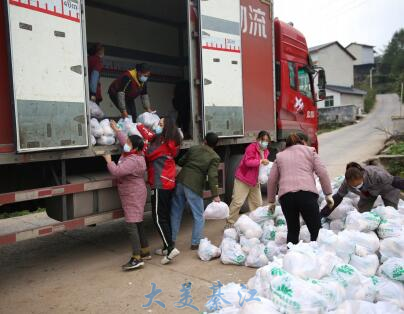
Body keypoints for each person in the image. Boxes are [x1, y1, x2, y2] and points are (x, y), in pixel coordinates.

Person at [267, 134, 334, 244]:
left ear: (286, 144)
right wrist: (328, 194)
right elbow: (322, 172)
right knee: (315, 230)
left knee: (293, 230)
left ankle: (292, 257)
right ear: (301, 142)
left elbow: (272, 180)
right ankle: (317, 256)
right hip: (307, 195)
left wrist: (271, 201)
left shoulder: (280, 156)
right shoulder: (310, 151)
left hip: (286, 197)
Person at [104, 122, 150, 271]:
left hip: (133, 194)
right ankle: (145, 250)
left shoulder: (132, 160)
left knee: (131, 224)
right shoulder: (136, 153)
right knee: (138, 222)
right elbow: (125, 142)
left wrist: (109, 161)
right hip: (135, 191)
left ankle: (136, 258)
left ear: (135, 147)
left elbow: (117, 172)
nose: (126, 144)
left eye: (129, 143)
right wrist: (117, 130)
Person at [170, 132, 221, 250]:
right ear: (215, 144)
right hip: (194, 186)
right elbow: (213, 176)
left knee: (175, 213)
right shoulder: (214, 157)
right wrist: (215, 195)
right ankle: (195, 242)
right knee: (199, 215)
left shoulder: (194, 148)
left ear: (205, 140)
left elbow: (181, 161)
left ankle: (171, 241)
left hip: (181, 181)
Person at [145, 117, 182, 264]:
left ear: (166, 127)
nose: (157, 126)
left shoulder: (163, 144)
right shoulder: (171, 142)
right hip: (168, 182)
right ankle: (167, 247)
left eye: (160, 124)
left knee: (158, 218)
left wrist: (148, 137)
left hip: (160, 184)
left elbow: (148, 153)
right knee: (164, 216)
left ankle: (171, 248)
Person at [321, 162, 404, 217]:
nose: (357, 187)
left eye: (359, 184)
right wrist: (322, 214)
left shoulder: (376, 175)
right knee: (363, 215)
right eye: (354, 186)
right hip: (367, 193)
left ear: (362, 177)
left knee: (390, 213)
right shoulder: (346, 183)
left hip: (387, 189)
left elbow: (396, 181)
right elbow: (337, 198)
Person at [225, 131, 271, 228]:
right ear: (258, 140)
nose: (265, 142)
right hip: (243, 179)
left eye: (267, 140)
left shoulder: (266, 152)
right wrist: (261, 161)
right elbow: (248, 162)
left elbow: (262, 167)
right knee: (238, 202)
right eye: (263, 140)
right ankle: (229, 223)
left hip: (255, 182)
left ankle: (257, 222)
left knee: (257, 204)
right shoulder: (251, 148)